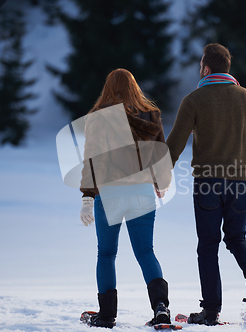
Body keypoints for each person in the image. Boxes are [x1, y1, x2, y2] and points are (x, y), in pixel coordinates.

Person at [165, 43, 246, 325]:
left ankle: (211, 311)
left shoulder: (194, 100)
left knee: (208, 245)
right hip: (241, 183)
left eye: (201, 65)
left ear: (207, 69)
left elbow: (175, 142)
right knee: (236, 238)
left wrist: (161, 174)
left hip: (208, 183)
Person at [79, 68, 171, 328]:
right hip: (142, 192)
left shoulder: (98, 118)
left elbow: (91, 161)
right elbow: (160, 153)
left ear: (108, 88)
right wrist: (161, 183)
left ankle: (106, 316)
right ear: (135, 87)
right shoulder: (151, 115)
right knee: (146, 252)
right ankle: (161, 308)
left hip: (109, 194)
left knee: (106, 254)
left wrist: (87, 197)